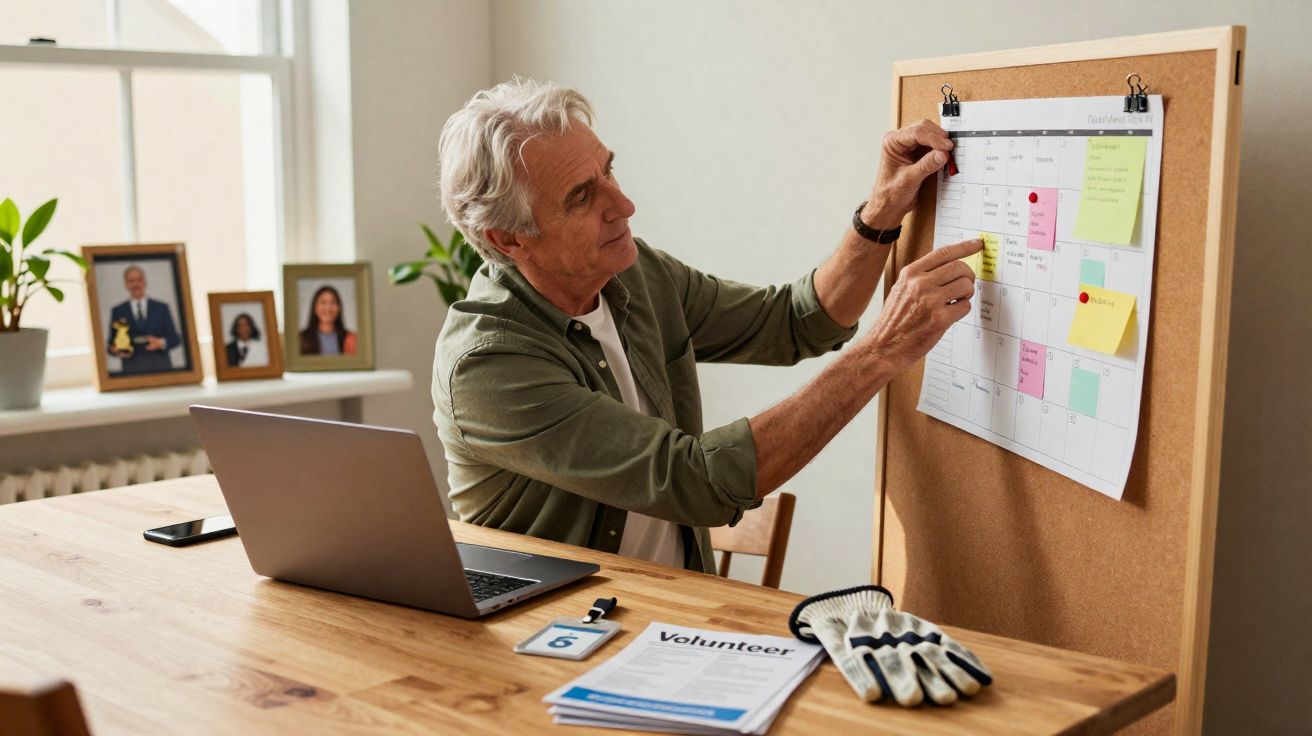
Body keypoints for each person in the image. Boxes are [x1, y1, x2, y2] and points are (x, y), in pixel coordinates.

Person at [432, 78, 982, 573]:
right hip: (552, 640)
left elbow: (795, 322)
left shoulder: (637, 274)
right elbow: (694, 482)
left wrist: (881, 211)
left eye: (608, 170)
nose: (624, 204)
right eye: (581, 197)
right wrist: (881, 351)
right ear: (509, 239)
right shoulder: (487, 366)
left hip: (671, 609)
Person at [106, 264, 182, 375]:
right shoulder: (118, 311)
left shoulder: (161, 308)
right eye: (131, 281)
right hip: (131, 372)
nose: (136, 284)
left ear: (145, 282)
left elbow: (175, 339)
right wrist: (116, 350)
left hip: (161, 370)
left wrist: (160, 342)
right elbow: (111, 344)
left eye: (139, 280)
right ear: (126, 284)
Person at [298, 285, 357, 356]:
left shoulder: (350, 339)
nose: (328, 308)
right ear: (315, 307)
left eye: (333, 303)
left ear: (339, 308)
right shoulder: (301, 339)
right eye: (323, 302)